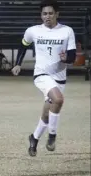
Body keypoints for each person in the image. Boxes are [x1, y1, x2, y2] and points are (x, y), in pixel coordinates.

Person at [12, 0, 76, 157]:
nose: (47, 16)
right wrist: (18, 64)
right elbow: (23, 46)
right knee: (58, 100)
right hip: (41, 74)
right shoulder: (33, 31)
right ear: (41, 15)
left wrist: (66, 58)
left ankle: (34, 138)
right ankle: (52, 136)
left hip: (59, 77)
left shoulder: (67, 31)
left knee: (48, 113)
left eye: (50, 13)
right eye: (44, 14)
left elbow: (72, 57)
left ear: (57, 14)